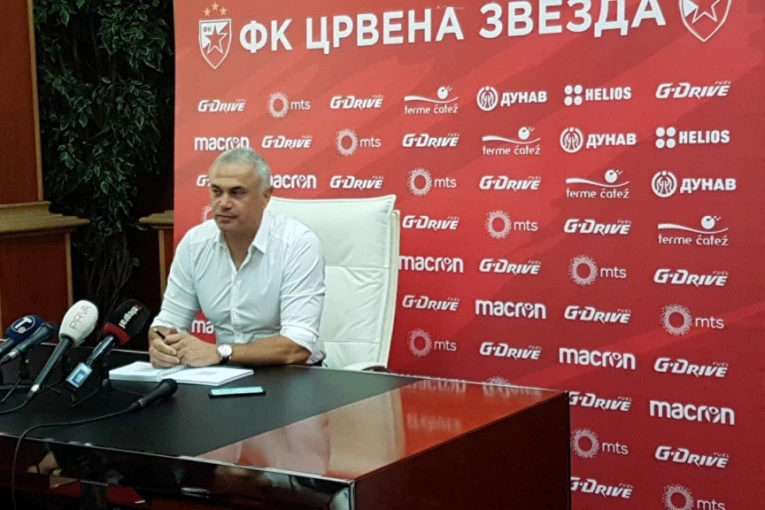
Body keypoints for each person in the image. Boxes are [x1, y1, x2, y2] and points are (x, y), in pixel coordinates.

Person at [148, 148, 325, 368]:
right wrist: (161, 344)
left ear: (266, 196)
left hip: (293, 374)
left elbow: (297, 346)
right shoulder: (194, 243)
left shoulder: (298, 244)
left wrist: (221, 352)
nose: (223, 203)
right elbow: (168, 321)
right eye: (216, 191)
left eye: (237, 193)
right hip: (224, 372)